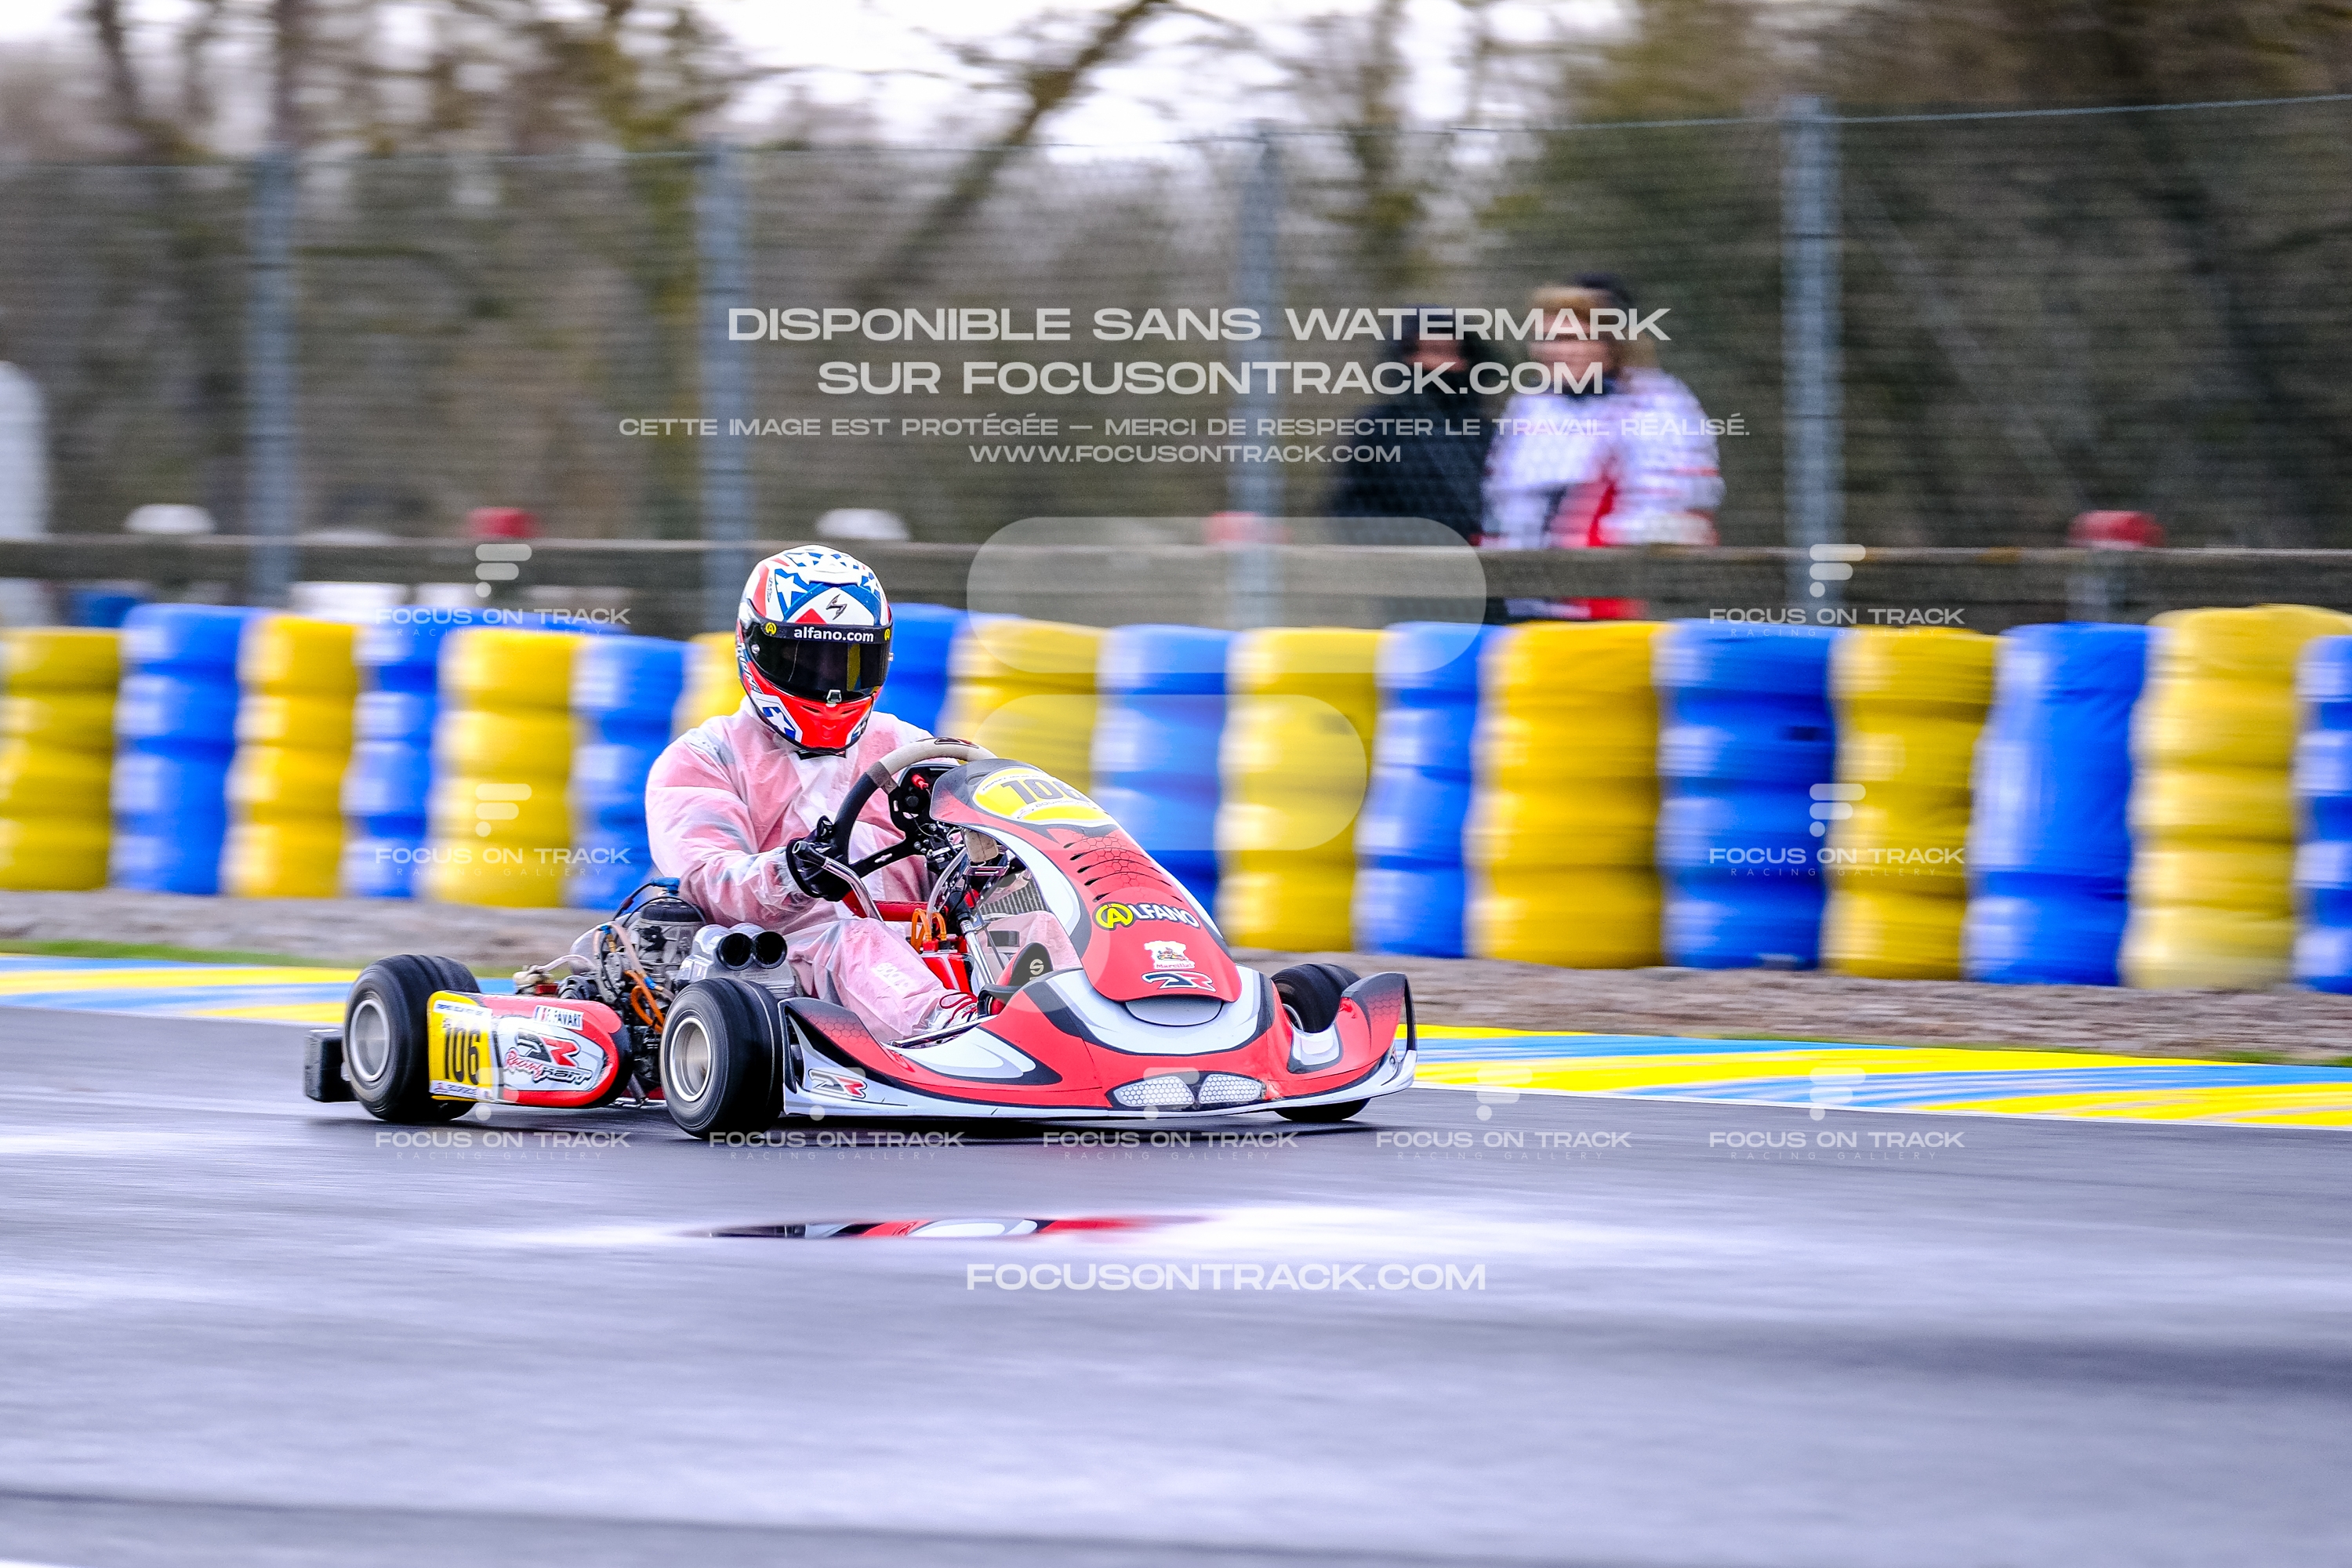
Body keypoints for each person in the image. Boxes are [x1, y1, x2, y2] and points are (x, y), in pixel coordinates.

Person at [645, 546, 978, 1042]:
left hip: (926, 944)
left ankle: (1082, 1027)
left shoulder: (909, 748)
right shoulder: (705, 757)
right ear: (755, 647)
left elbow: (977, 838)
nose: (832, 688)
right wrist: (792, 872)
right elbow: (705, 881)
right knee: (857, 940)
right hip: (786, 959)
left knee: (1032, 926)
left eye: (851, 663)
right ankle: (956, 1039)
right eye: (807, 661)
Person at [1480, 277, 1723, 619]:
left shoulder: (1656, 403)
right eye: (1544, 339)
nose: (1553, 351)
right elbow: (1505, 501)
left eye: (1569, 339)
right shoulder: (1530, 405)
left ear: (1609, 344)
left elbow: (1674, 511)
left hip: (1614, 602)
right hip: (1525, 599)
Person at [1326, 315, 1498, 543]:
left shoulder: (1488, 434)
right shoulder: (1378, 428)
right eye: (1433, 351)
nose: (1442, 365)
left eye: (1452, 353)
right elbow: (1351, 509)